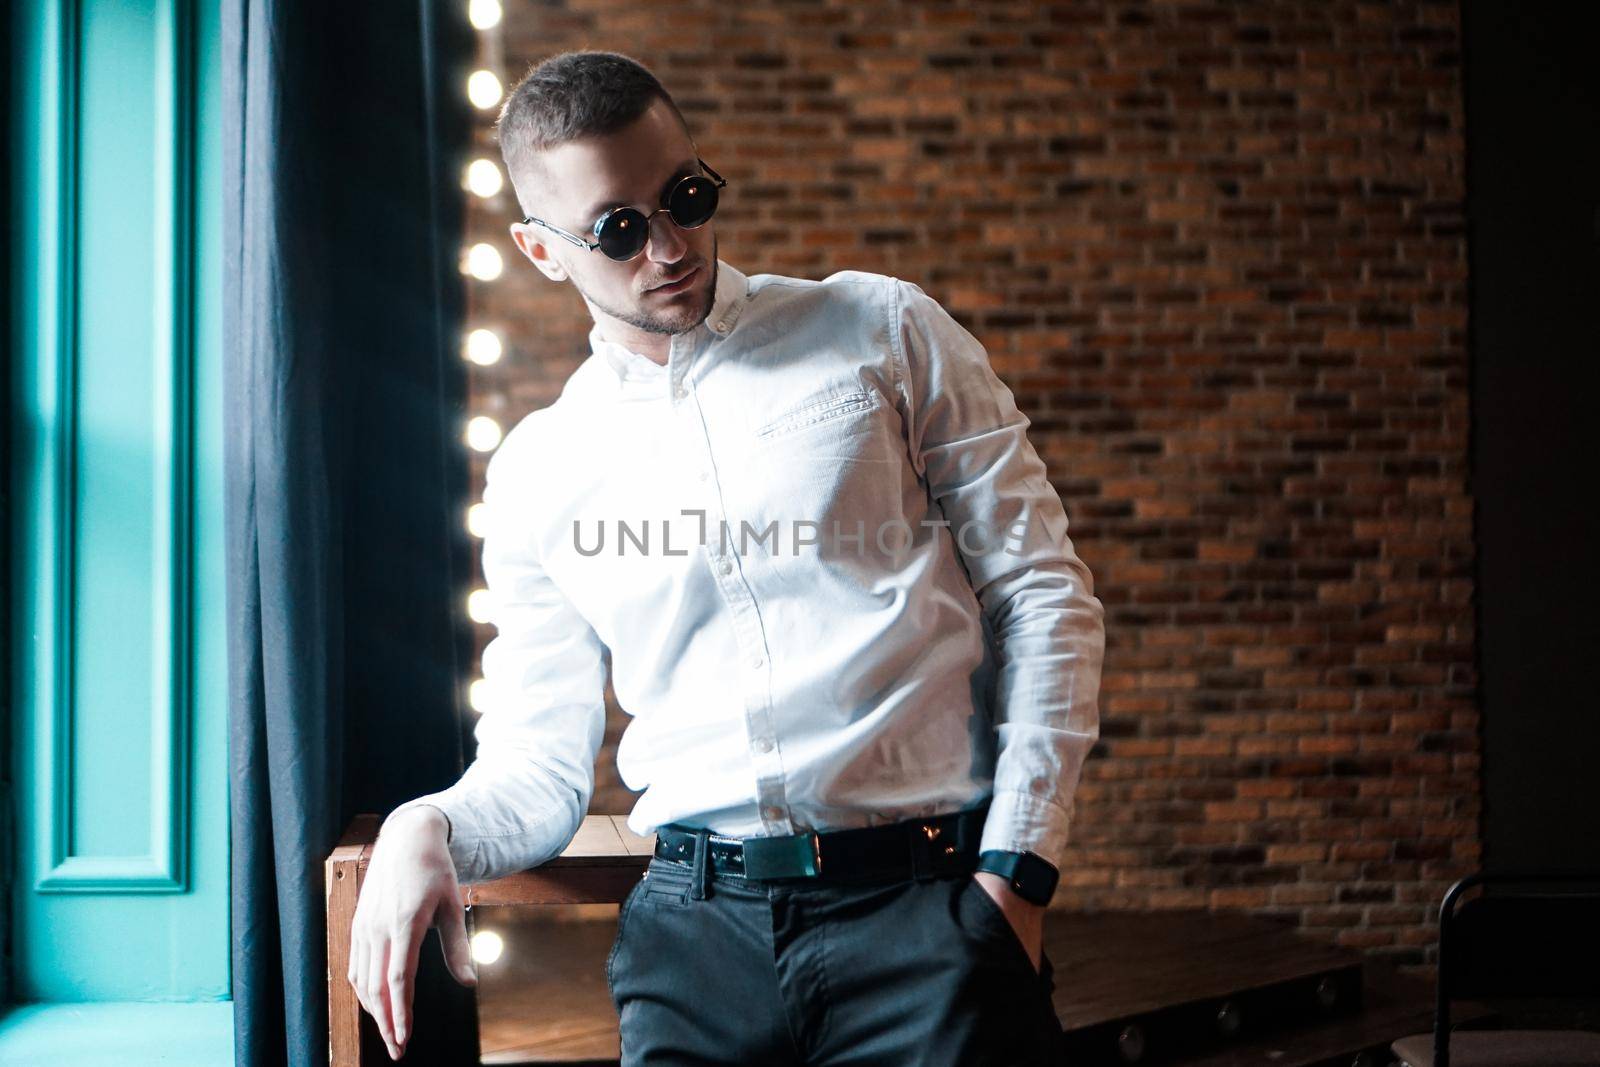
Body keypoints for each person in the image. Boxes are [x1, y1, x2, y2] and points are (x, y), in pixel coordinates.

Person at [348, 49, 1105, 1066]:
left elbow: (1042, 591)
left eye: (687, 197)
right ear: (539, 249)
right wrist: (420, 827)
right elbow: (538, 766)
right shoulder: (538, 469)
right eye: (619, 229)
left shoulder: (882, 329)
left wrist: (1017, 871)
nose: (669, 246)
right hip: (692, 946)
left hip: (926, 919)